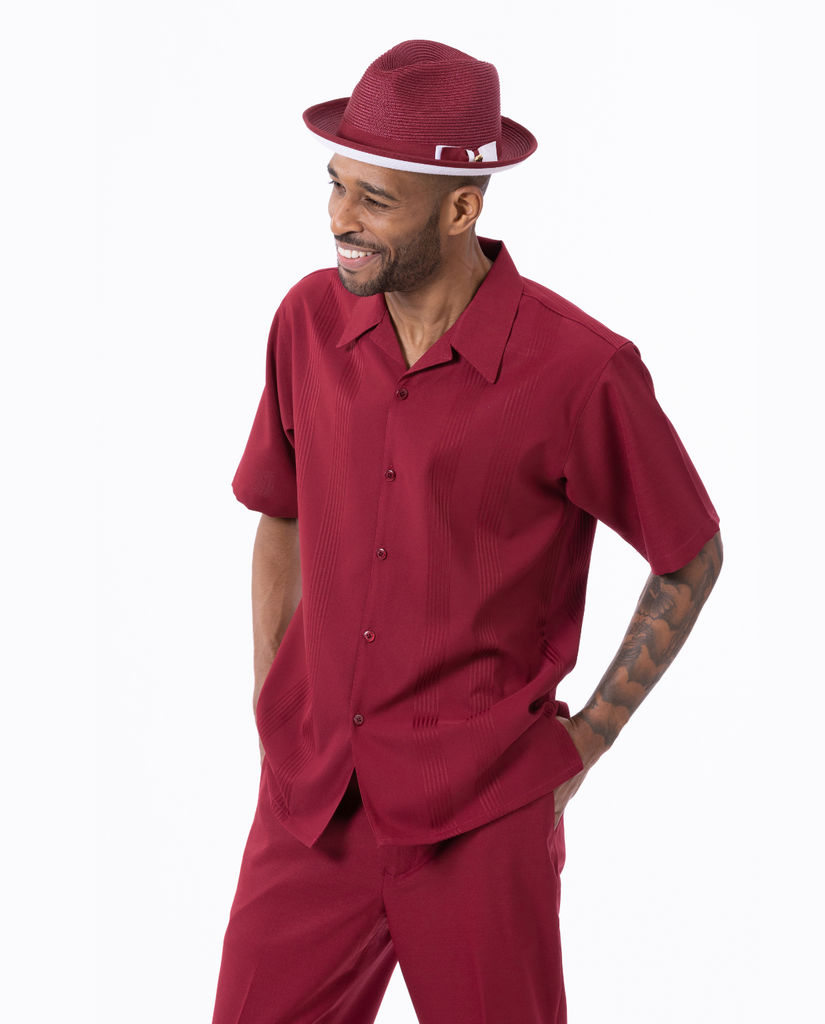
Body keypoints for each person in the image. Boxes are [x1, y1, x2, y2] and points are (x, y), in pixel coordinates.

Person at [212, 39, 722, 1024]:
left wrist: (586, 741)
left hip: (482, 818)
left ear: (461, 209)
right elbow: (280, 509)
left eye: (374, 200)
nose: (339, 220)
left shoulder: (580, 371)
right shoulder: (306, 323)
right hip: (312, 807)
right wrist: (277, 697)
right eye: (335, 186)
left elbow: (688, 553)